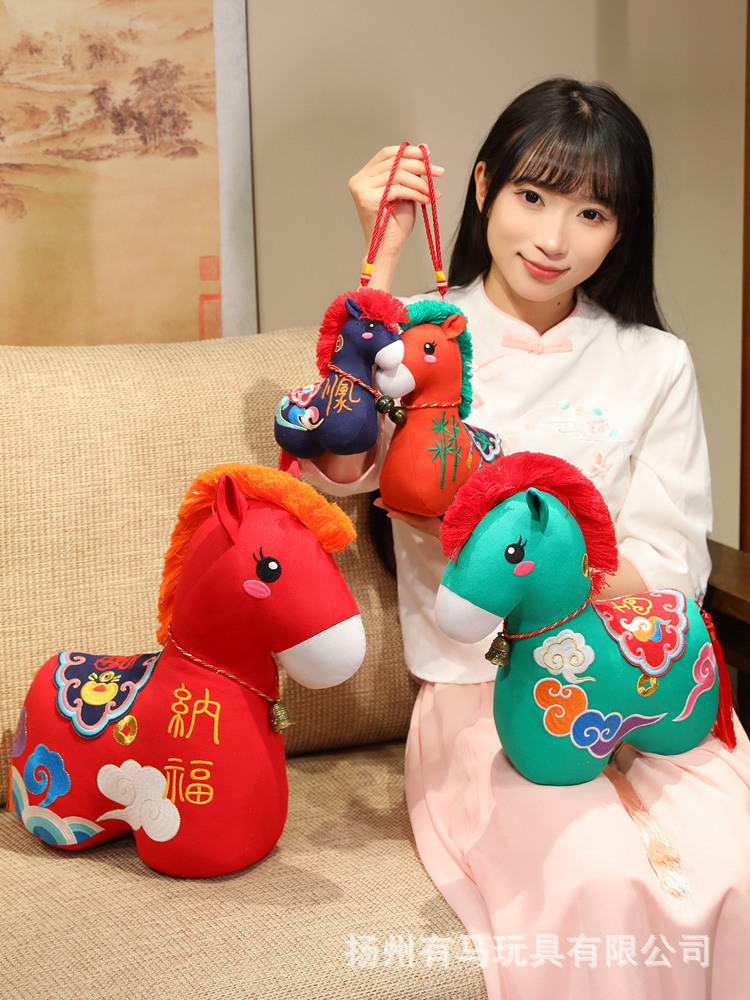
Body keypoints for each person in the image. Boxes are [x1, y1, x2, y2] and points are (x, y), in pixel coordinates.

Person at [301, 78, 750, 999]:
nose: (554, 239)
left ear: (622, 229)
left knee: (734, 860)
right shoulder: (420, 334)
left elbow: (674, 565)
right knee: (599, 876)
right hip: (482, 700)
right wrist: (378, 259)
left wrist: (530, 559)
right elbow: (338, 470)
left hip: (638, 681)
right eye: (532, 196)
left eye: (592, 213)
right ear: (482, 188)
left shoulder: (654, 362)